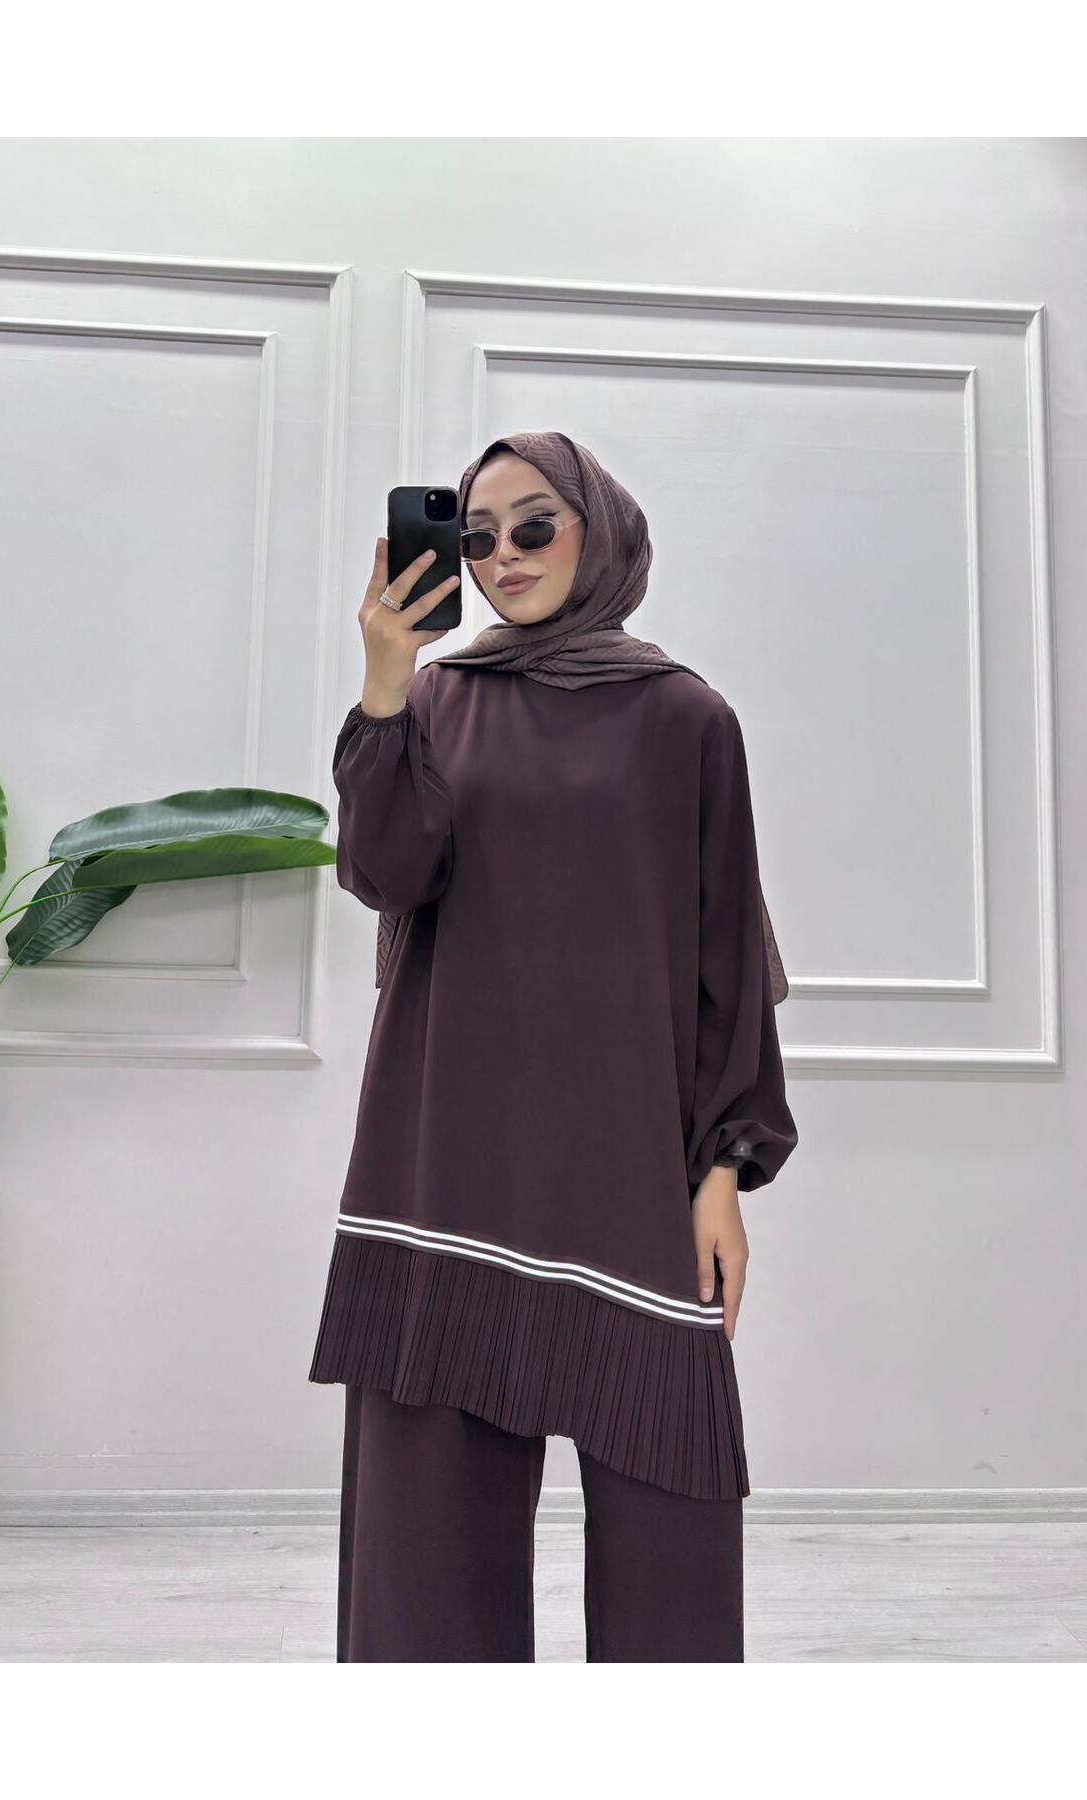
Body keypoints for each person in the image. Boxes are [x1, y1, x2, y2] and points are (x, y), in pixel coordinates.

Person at [308, 429, 798, 1661]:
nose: (503, 556)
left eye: (535, 525)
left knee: (670, 1506)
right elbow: (386, 873)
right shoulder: (436, 702)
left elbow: (726, 963)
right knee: (427, 1527)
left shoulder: (685, 717)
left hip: (623, 1161)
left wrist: (723, 1173)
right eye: (476, 537)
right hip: (447, 1153)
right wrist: (385, 683)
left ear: (601, 529)